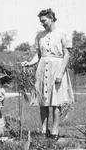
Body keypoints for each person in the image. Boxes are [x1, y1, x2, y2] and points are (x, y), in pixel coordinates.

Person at [20, 8, 74, 139]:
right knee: (43, 101)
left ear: (51, 18)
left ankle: (55, 131)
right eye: (41, 21)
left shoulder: (63, 33)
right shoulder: (40, 35)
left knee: (56, 102)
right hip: (42, 69)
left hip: (57, 68)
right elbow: (38, 55)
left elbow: (67, 55)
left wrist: (60, 73)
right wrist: (29, 63)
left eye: (44, 21)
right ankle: (44, 130)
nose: (42, 23)